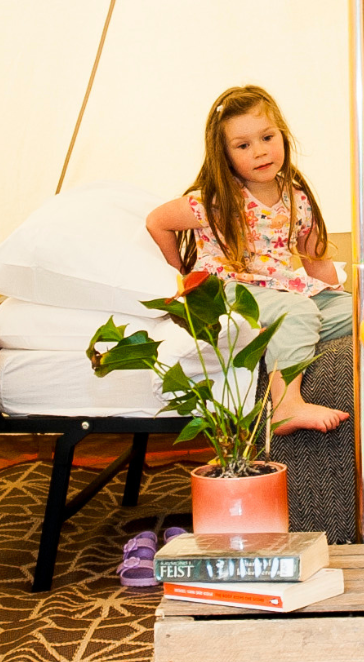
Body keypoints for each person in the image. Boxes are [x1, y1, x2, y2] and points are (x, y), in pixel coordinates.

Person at [145, 85, 352, 436]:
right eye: (243, 145)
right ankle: (285, 405)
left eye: (267, 137)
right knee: (298, 313)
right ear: (225, 155)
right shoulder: (216, 200)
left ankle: (282, 337)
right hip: (229, 290)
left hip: (279, 289)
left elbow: (315, 261)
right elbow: (157, 221)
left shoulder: (296, 198)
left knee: (354, 313)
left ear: (282, 136)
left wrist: (347, 296)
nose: (260, 151)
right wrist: (179, 274)